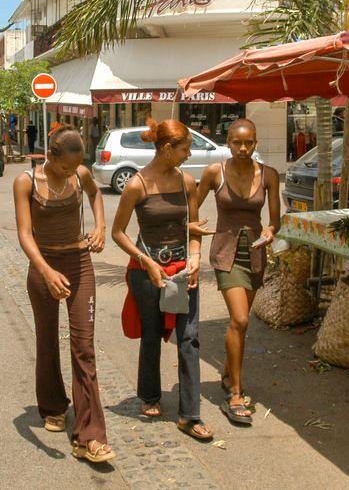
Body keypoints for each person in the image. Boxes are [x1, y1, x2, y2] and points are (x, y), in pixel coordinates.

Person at [13, 125, 114, 464]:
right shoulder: (26, 181)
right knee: (47, 340)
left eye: (76, 166)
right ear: (50, 155)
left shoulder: (80, 173)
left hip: (78, 263)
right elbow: (25, 234)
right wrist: (46, 270)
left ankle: (90, 435)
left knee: (84, 346)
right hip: (43, 266)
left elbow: (96, 194)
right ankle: (53, 405)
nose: (71, 172)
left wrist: (100, 227)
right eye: (64, 167)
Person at [111, 118, 210, 442]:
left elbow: (193, 227)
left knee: (189, 338)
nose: (188, 154)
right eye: (184, 149)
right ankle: (150, 396)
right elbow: (118, 232)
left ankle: (190, 415)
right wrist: (145, 261)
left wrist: (195, 258)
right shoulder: (137, 184)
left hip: (183, 269)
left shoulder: (187, 181)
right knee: (151, 334)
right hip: (147, 270)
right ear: (167, 149)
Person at [192, 119, 280, 426]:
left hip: (255, 253)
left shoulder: (269, 175)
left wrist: (270, 230)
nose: (243, 148)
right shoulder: (215, 172)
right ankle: (235, 394)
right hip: (225, 253)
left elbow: (275, 219)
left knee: (242, 325)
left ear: (256, 144)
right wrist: (193, 229)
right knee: (240, 319)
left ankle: (229, 374)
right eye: (237, 143)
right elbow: (193, 203)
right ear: (227, 142)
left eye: (249, 143)